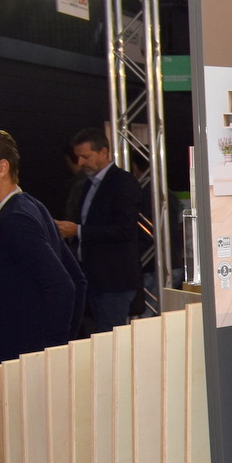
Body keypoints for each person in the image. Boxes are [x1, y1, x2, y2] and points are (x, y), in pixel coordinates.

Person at [0, 129, 86, 363]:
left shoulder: (15, 218)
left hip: (25, 361)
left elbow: (63, 285)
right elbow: (76, 280)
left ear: (2, 167)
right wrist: (62, 346)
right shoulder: (31, 206)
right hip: (30, 358)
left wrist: (52, 353)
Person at [55, 127, 143, 332]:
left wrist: (78, 231)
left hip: (114, 280)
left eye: (86, 157)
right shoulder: (88, 184)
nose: (80, 163)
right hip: (93, 277)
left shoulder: (122, 182)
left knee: (109, 334)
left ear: (103, 152)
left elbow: (125, 229)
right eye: (77, 157)